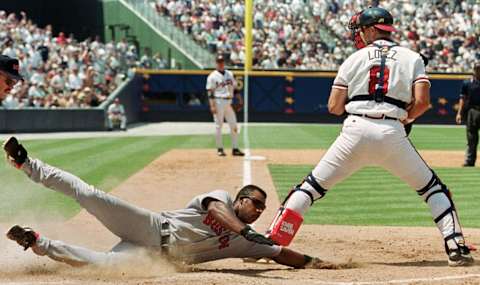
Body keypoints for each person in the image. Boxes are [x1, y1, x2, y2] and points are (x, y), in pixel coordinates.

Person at [266, 7, 474, 267]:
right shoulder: (412, 58)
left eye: (362, 29)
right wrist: (404, 117)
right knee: (433, 189)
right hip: (392, 132)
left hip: (354, 130)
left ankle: (272, 243)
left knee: (311, 188)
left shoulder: (353, 59)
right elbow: (422, 102)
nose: (359, 35)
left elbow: (334, 106)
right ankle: (456, 247)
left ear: (372, 29)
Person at [3, 136, 327, 269]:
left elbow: (282, 254)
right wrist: (247, 231)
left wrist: (318, 263)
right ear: (240, 199)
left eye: (262, 208)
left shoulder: (247, 243)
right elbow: (217, 211)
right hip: (151, 225)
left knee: (103, 265)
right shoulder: (222, 199)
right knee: (90, 195)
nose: (258, 210)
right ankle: (28, 165)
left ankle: (37, 242)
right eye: (255, 203)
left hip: (155, 255)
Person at [206, 55, 244, 157]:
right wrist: (212, 106)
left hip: (229, 103)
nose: (221, 63)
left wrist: (240, 100)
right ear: (216, 63)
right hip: (218, 102)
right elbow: (210, 92)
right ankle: (220, 148)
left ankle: (235, 149)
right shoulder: (212, 76)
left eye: (222, 61)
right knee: (219, 126)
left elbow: (235, 89)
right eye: (219, 61)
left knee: (234, 126)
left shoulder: (230, 74)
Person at [455, 63, 480, 167]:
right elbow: (462, 98)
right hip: (472, 111)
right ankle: (470, 161)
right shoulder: (467, 83)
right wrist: (459, 113)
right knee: (471, 137)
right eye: (477, 69)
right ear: (474, 70)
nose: (479, 71)